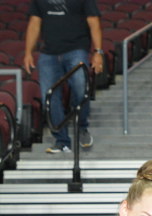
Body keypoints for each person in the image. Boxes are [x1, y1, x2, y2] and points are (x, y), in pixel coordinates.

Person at [23, 0, 104, 153]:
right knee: (49, 96)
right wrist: (28, 52)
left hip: (76, 49)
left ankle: (82, 127)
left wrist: (98, 52)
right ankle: (62, 141)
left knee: (81, 88)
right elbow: (34, 23)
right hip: (49, 53)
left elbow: (93, 21)